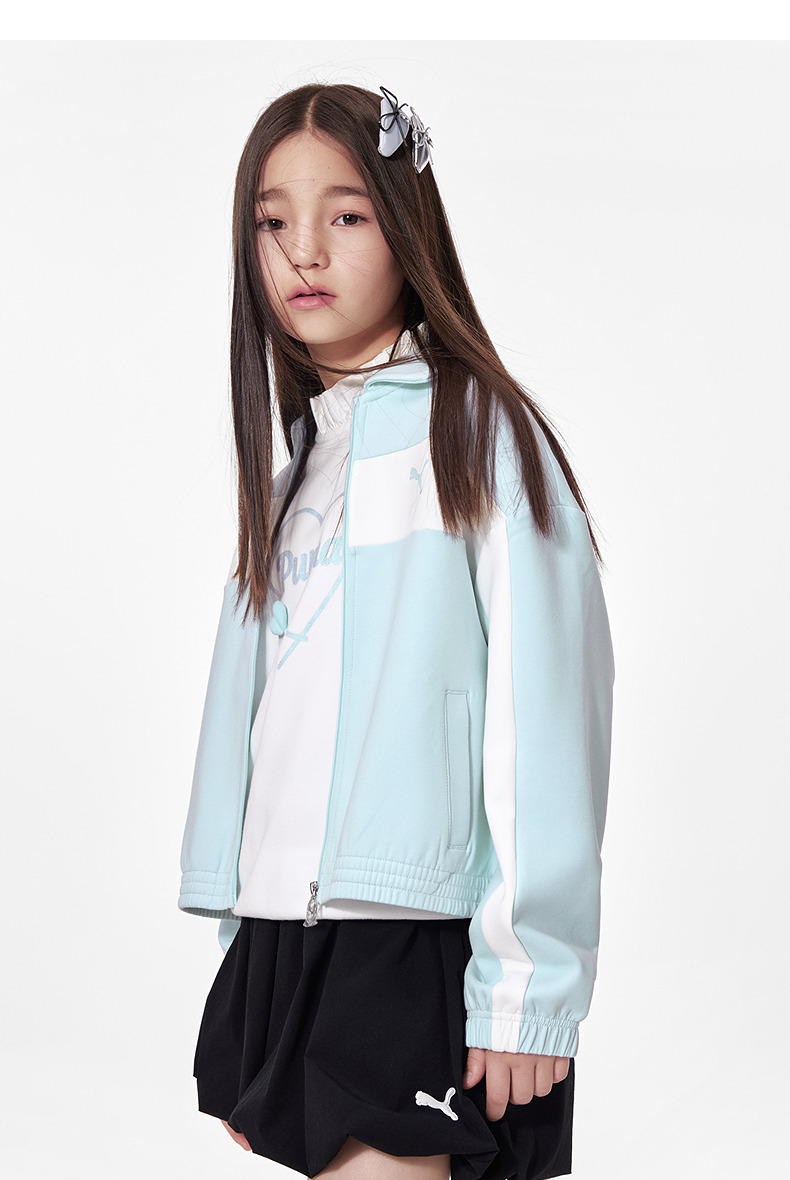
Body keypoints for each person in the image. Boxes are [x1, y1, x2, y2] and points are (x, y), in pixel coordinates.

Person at [178, 82, 615, 1180]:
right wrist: (248, 960)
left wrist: (530, 982)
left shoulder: (476, 430)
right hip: (293, 937)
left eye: (347, 214)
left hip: (415, 936)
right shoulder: (298, 465)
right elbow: (267, 731)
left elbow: (544, 713)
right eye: (272, 221)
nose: (303, 250)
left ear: (408, 229)